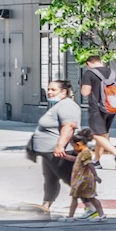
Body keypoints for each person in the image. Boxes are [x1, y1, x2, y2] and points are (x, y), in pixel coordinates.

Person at [30, 79, 80, 216]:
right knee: (50, 179)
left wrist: (60, 146)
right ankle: (46, 206)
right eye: (49, 89)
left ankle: (91, 207)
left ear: (64, 92)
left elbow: (69, 126)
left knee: (70, 179)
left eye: (53, 90)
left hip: (60, 151)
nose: (49, 92)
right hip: (49, 151)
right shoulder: (58, 105)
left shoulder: (67, 106)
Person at [66, 136, 104, 222]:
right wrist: (64, 156)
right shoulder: (82, 153)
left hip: (84, 180)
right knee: (78, 197)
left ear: (78, 144)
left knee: (90, 197)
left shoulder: (85, 153)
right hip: (80, 179)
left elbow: (90, 164)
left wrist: (95, 175)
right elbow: (77, 160)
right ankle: (70, 216)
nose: (73, 148)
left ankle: (101, 215)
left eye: (73, 146)